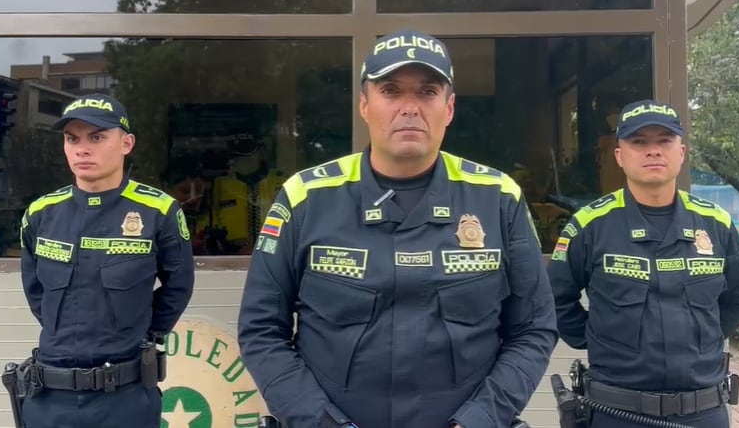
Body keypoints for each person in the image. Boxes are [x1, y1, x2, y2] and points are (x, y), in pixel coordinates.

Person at [237, 30, 558, 428]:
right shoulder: (305, 198)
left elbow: (533, 330)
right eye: (391, 91)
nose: (410, 108)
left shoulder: (497, 198)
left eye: (427, 92)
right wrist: (319, 422)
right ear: (364, 105)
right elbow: (262, 330)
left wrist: (480, 420)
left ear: (450, 107)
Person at [546, 99, 739, 428]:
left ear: (681, 152)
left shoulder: (714, 223)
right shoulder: (589, 225)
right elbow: (553, 300)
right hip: (617, 412)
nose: (653, 151)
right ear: (619, 156)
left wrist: (701, 340)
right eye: (638, 142)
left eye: (664, 140)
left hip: (702, 412)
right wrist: (599, 339)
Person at [17, 93, 195, 428]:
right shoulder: (41, 214)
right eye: (72, 139)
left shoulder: (159, 212)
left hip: (125, 398)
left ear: (127, 143)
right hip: (49, 397)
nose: (82, 148)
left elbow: (179, 285)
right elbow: (36, 289)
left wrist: (138, 331)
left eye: (97, 137)